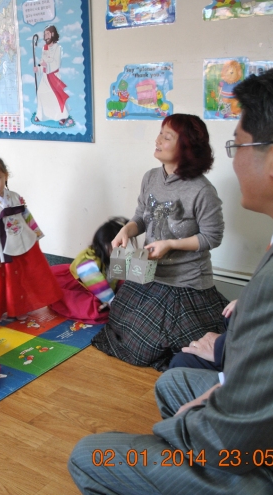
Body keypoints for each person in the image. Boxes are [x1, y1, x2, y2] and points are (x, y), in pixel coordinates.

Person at [69, 50, 273, 495]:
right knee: (175, 379)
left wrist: (182, 426)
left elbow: (228, 437)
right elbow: (139, 216)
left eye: (238, 146)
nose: (233, 160)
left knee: (91, 455)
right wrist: (223, 370)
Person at [91, 114, 228, 371]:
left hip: (184, 283)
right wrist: (127, 230)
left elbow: (212, 237)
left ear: (186, 147)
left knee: (166, 347)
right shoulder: (151, 177)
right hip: (148, 273)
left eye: (167, 137)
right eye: (160, 133)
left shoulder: (202, 190)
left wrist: (171, 245)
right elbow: (141, 217)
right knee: (126, 336)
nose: (158, 140)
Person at [0, 156, 62, 323]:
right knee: (3, 281)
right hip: (0, 247)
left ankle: (21, 307)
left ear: (5, 175)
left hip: (21, 240)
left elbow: (26, 216)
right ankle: (6, 309)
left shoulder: (15, 197)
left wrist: (35, 234)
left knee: (23, 276)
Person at [50, 218, 129, 325]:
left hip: (99, 285)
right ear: (105, 244)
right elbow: (99, 287)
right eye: (119, 245)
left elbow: (117, 278)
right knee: (92, 308)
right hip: (78, 287)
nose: (123, 248)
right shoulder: (88, 263)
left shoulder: (115, 255)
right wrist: (113, 303)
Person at [33, 25, 69, 125]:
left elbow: (56, 63)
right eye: (45, 34)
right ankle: (41, 115)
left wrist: (47, 65)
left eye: (48, 34)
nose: (46, 36)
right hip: (45, 77)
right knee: (40, 93)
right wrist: (38, 67)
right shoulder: (44, 48)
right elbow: (41, 61)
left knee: (55, 95)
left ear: (52, 34)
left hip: (54, 76)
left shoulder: (57, 48)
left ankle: (62, 116)